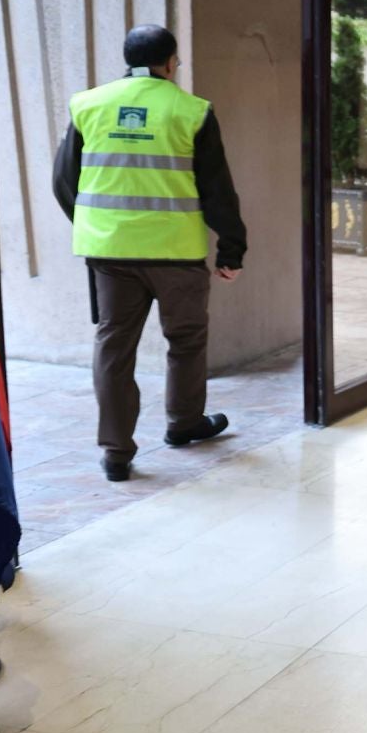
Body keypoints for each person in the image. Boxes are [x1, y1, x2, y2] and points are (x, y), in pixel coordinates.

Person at [53, 24, 246, 482]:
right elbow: (217, 189)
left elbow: (64, 181)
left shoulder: (88, 105)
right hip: (175, 253)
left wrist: (97, 227)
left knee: (114, 347)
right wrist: (232, 249)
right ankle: (183, 425)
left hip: (110, 253)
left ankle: (116, 453)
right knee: (185, 340)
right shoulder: (192, 111)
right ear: (171, 62)